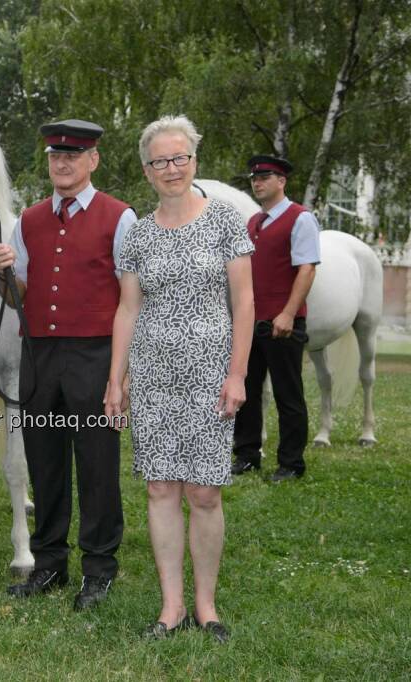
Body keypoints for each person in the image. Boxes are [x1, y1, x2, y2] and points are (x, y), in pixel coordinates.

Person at [105, 115, 254, 642]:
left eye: (180, 158)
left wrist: (237, 375)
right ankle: (170, 608)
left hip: (210, 378)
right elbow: (126, 310)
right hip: (151, 379)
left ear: (194, 161)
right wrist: (115, 380)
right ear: (147, 171)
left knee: (205, 493)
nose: (171, 169)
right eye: (160, 161)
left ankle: (206, 606)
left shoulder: (225, 221)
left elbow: (244, 303)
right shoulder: (138, 235)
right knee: (160, 487)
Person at [0, 119, 136, 611]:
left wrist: (119, 374)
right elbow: (17, 298)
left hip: (94, 356)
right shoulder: (27, 220)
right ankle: (49, 563)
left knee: (96, 466)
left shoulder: (121, 217)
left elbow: (131, 301)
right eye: (56, 155)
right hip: (40, 357)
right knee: (46, 463)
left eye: (74, 155)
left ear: (93, 160)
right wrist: (3, 274)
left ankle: (99, 569)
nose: (63, 163)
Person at [232, 156, 320, 482]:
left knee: (288, 394)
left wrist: (288, 312)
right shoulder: (254, 222)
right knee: (248, 391)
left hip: (282, 323)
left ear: (281, 181)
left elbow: (307, 268)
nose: (258, 183)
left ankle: (291, 463)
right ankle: (247, 455)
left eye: (265, 177)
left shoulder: (300, 219)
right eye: (254, 178)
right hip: (251, 322)